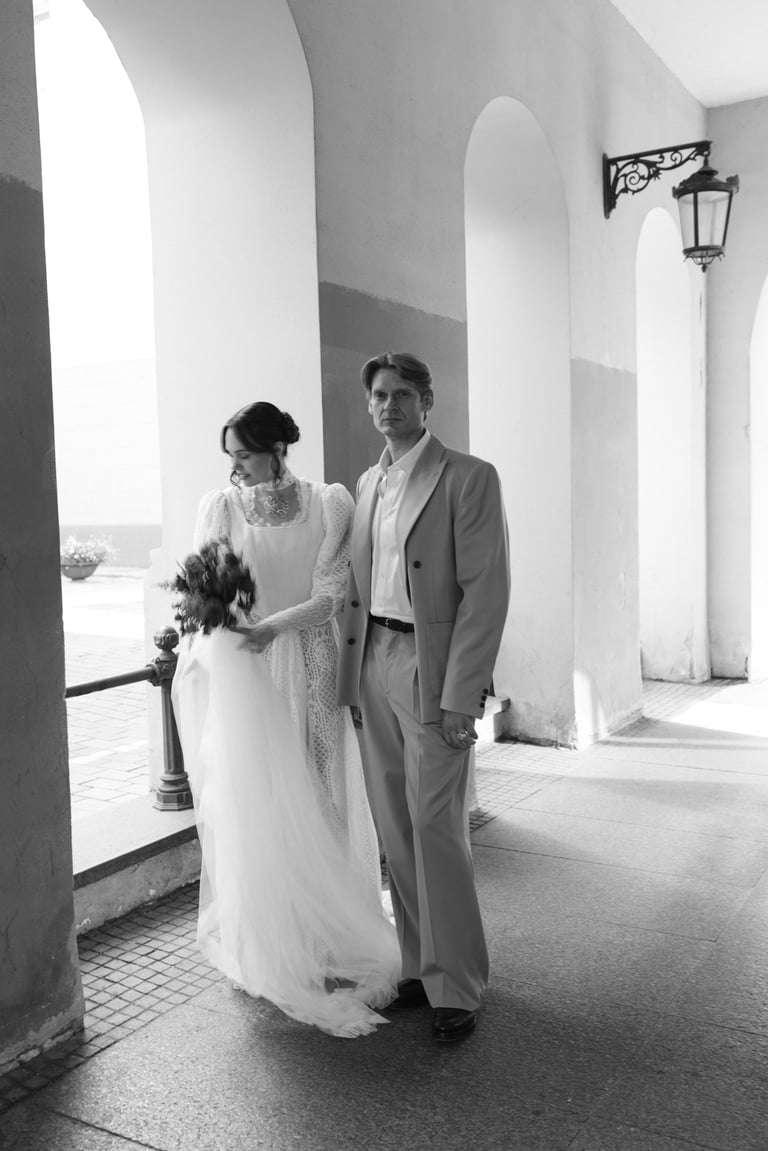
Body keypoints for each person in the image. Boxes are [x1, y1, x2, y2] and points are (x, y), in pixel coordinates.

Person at [170, 401, 399, 1038]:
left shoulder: (330, 502)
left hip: (313, 658)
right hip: (250, 672)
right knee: (262, 795)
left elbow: (330, 594)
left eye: (244, 454)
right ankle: (277, 931)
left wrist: (270, 626)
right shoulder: (219, 507)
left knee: (322, 788)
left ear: (276, 449)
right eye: (231, 456)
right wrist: (223, 625)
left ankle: (330, 927)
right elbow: (204, 593)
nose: (236, 467)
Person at [337, 352, 510, 1044]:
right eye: (379, 394)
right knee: (395, 825)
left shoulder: (468, 476)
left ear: (426, 401)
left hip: (430, 669)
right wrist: (350, 678)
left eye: (403, 394)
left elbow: (485, 594)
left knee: (436, 826)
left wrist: (464, 695)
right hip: (373, 660)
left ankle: (458, 983)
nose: (389, 405)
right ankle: (419, 965)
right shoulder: (367, 482)